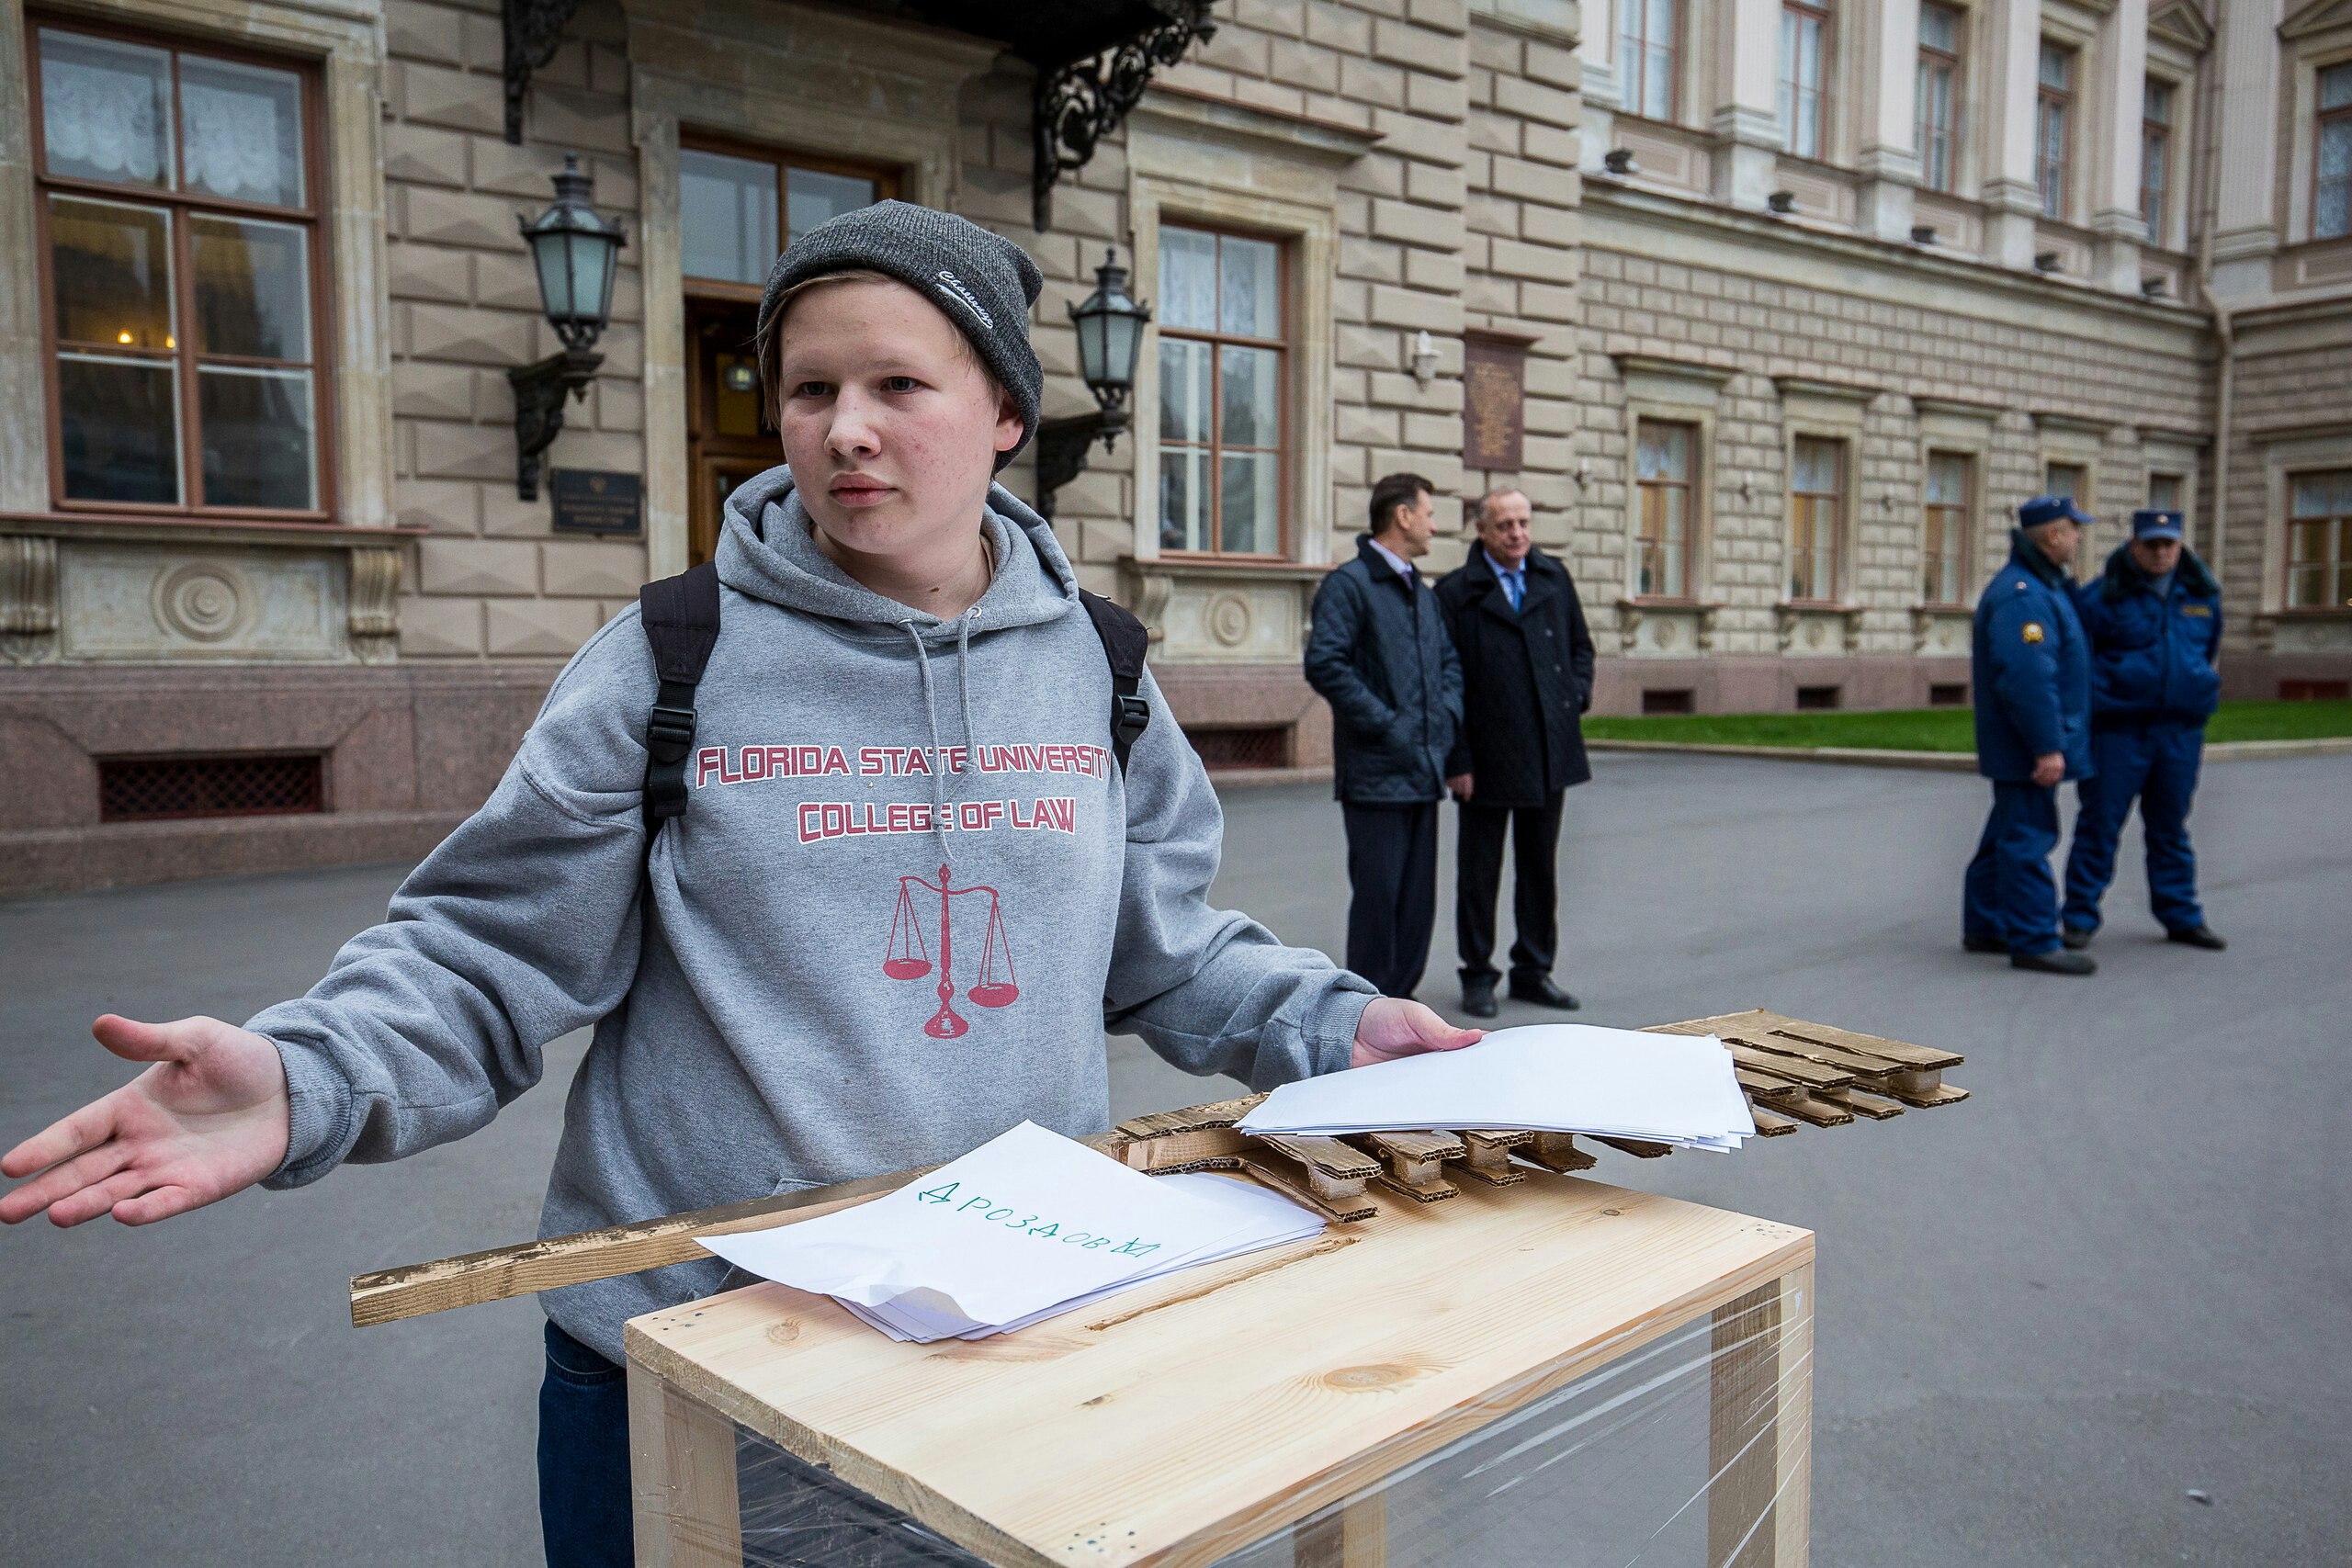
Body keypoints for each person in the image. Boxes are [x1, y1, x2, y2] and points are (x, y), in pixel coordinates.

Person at [0, 202, 1481, 1568]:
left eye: (900, 386)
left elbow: (1164, 949)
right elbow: (486, 952)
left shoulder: (1096, 664)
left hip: (1002, 1339)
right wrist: (303, 1071)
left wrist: (1336, 1026)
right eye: (810, 389)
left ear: (1008, 416)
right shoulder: (674, 656)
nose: (845, 432)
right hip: (687, 1354)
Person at [1434, 488, 1595, 1019]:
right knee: (1479, 872)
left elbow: (1580, 648)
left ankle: (1533, 970)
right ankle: (1477, 975)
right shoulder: (1457, 592)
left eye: (1524, 522)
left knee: (1539, 868)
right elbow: (1443, 682)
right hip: (1484, 757)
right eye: (1505, 524)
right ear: (1482, 531)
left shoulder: (1552, 577)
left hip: (1549, 747)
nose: (1518, 534)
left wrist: (1572, 697)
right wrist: (1456, 759)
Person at [1304, 472, 1464, 999]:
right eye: (1430, 513)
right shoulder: (1350, 585)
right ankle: (1367, 1014)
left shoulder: (1421, 590)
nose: (1435, 526)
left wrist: (1443, 723)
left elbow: (1448, 664)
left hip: (1423, 770)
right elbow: (1326, 664)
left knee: (1417, 905)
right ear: (1403, 516)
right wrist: (1391, 727)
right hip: (1376, 775)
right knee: (1378, 901)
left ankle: (1404, 1005)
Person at [2060, 508, 2228, 952]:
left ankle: (2181, 916)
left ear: (2179, 545)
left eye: (2168, 544)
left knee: (2171, 828)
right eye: (2151, 544)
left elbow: (2205, 651)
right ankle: (2078, 916)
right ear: (2134, 545)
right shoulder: (2103, 596)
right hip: (2118, 731)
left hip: (2179, 732)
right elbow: (2078, 660)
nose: (2160, 553)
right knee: (2100, 825)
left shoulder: (2201, 595)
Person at [1963, 494, 2098, 975]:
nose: (2079, 537)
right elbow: (2027, 677)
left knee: (2006, 831)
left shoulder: (2040, 586)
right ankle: (2035, 939)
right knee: (2028, 837)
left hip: (2018, 742)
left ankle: (1986, 925)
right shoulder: (2026, 594)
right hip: (2026, 744)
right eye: (2074, 528)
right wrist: (2047, 745)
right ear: (2054, 535)